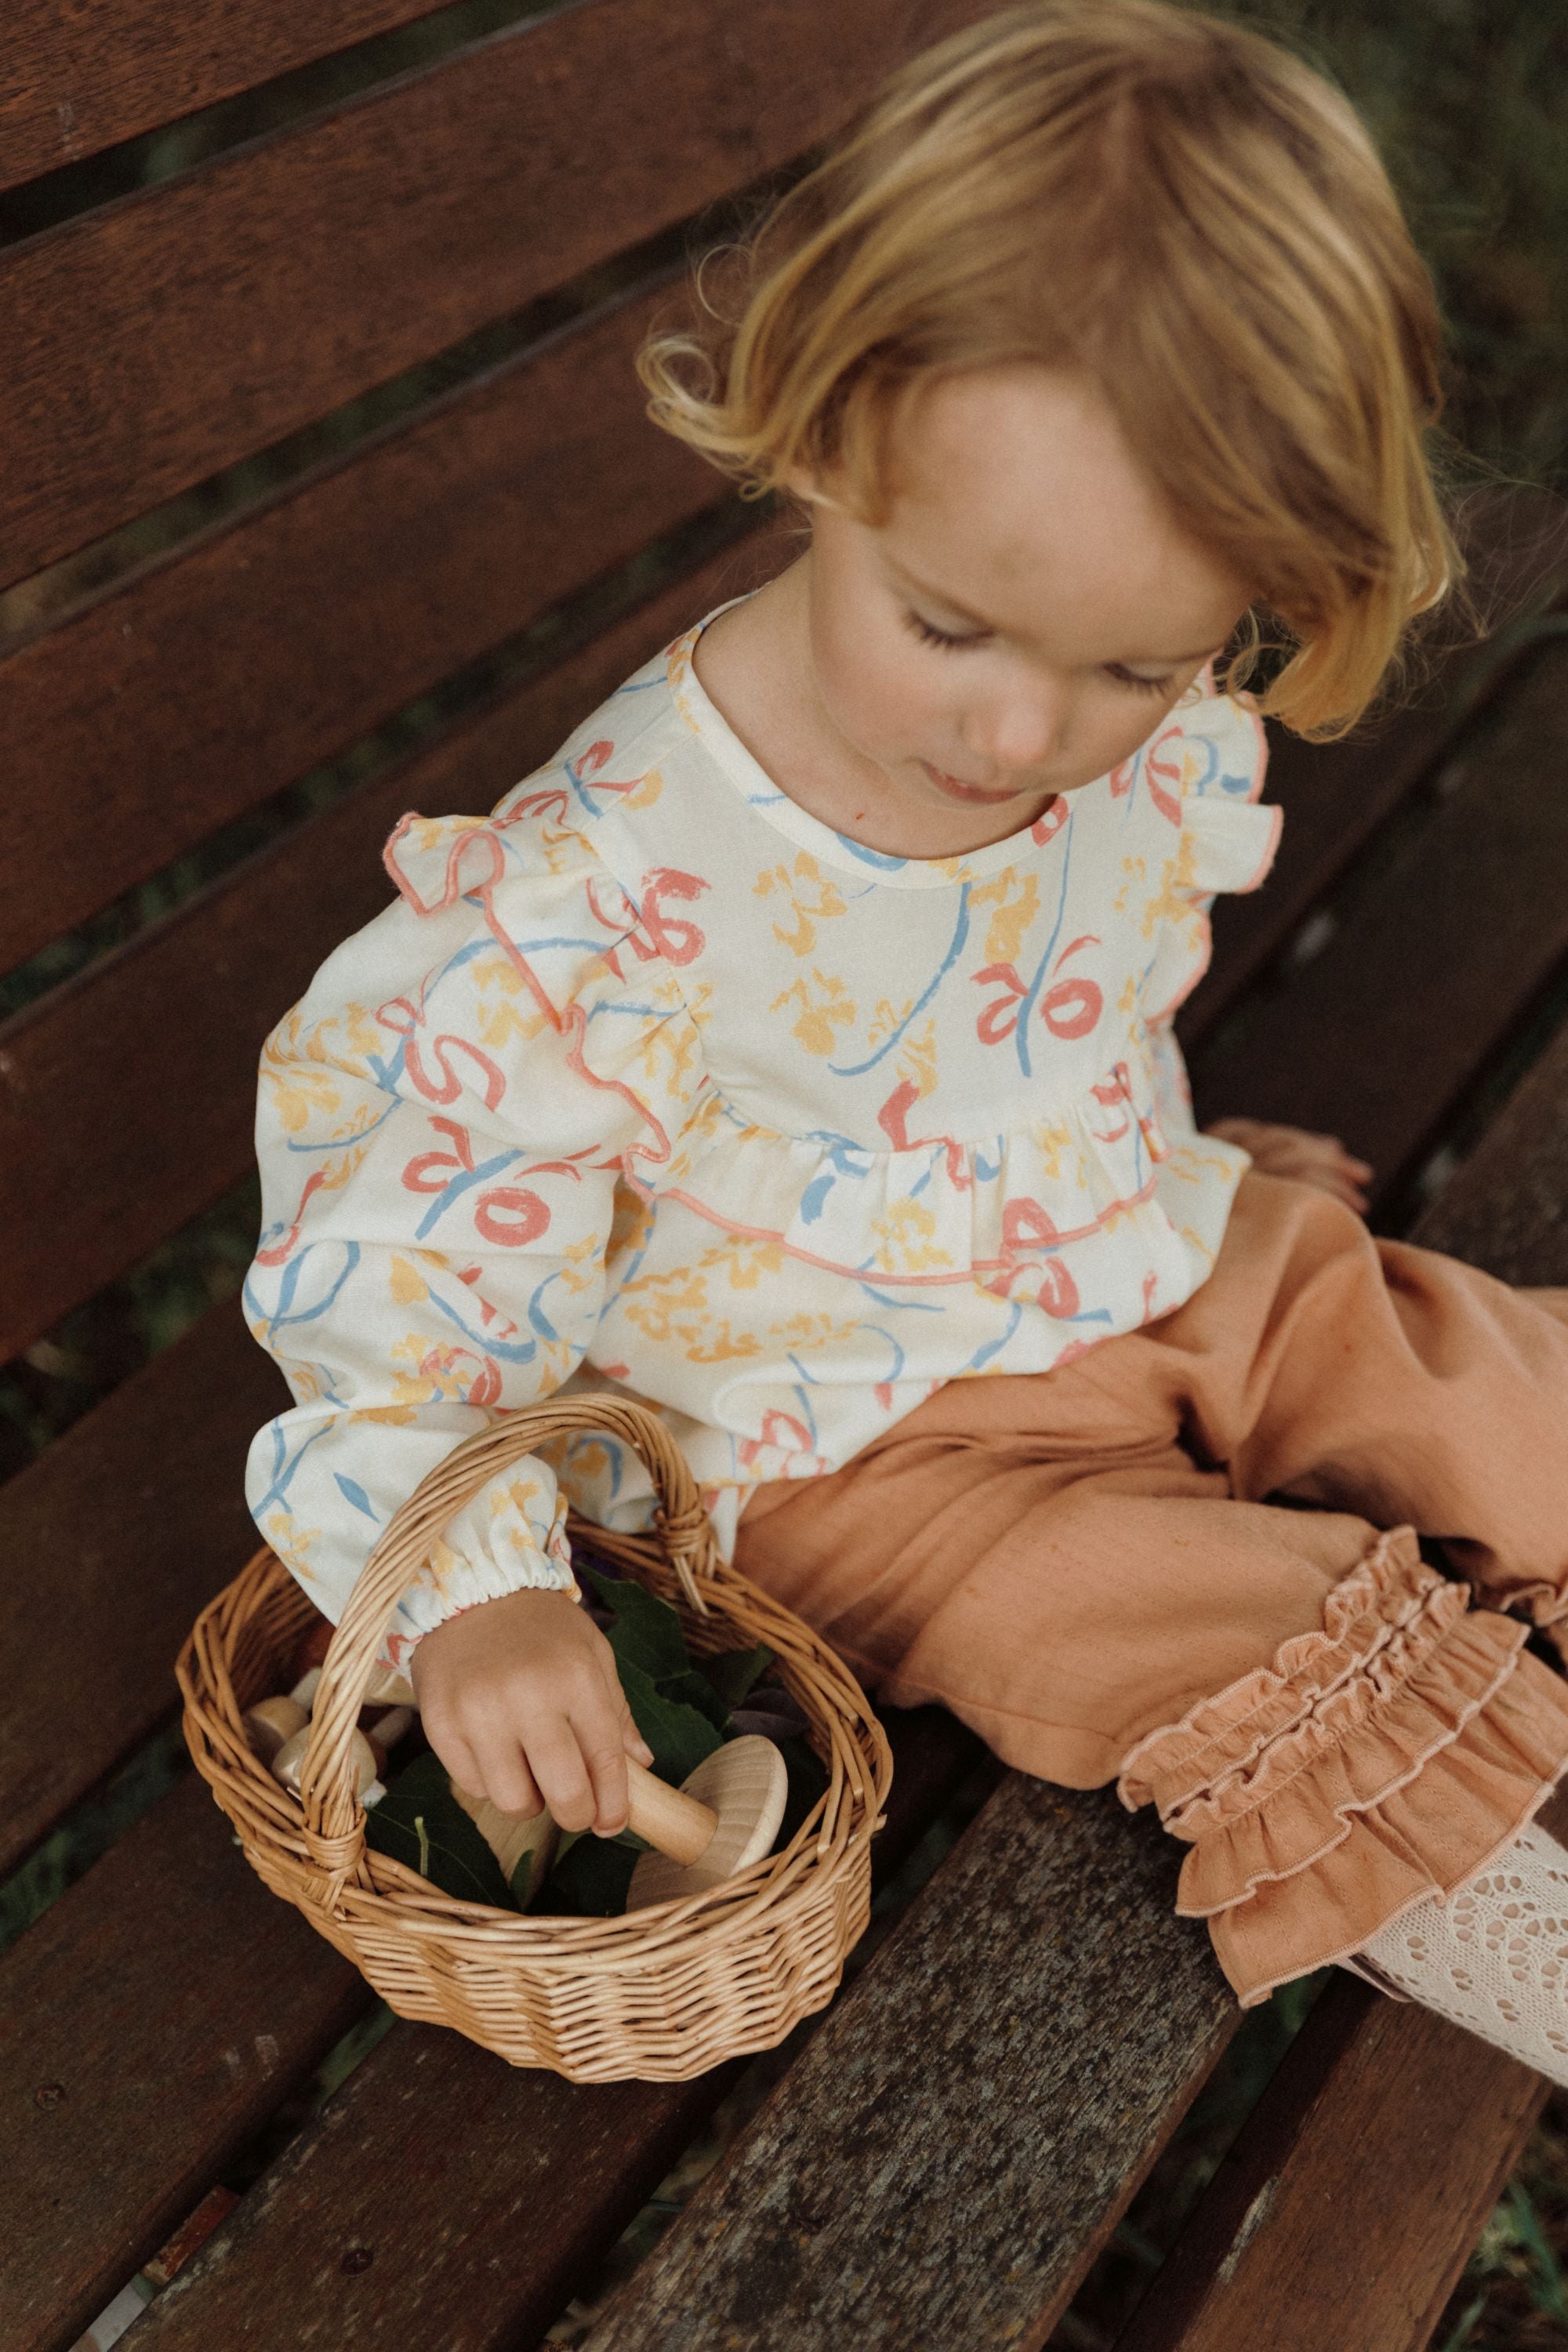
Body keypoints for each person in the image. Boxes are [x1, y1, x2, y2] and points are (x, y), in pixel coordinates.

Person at [244, 0, 1568, 2078]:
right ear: (816, 436)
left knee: (1438, 1361)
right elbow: (402, 1250)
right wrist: (477, 1593)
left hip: (1122, 1235)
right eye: (950, 625)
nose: (1022, 733)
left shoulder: (1099, 659)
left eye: (1136, 661)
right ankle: (1510, 1896)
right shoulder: (600, 898)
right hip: (837, 1434)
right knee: (1122, 1611)